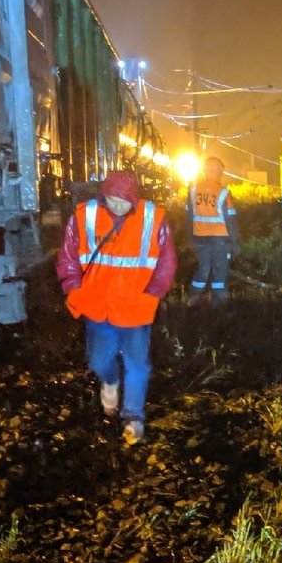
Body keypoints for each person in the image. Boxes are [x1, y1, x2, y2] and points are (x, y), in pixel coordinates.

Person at [55, 170, 177, 446]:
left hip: (136, 307)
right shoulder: (84, 216)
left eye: (123, 200)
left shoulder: (153, 218)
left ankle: (133, 417)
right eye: (112, 199)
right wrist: (74, 288)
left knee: (138, 365)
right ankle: (109, 381)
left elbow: (167, 260)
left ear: (134, 198)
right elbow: (68, 257)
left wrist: (154, 292)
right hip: (99, 305)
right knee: (99, 360)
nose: (117, 205)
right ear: (103, 196)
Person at [185, 156, 239, 305]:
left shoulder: (193, 190)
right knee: (220, 269)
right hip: (221, 239)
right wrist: (235, 243)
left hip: (200, 238)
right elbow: (230, 220)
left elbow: (188, 216)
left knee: (204, 268)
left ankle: (193, 298)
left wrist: (190, 238)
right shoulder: (223, 193)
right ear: (220, 171)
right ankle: (218, 304)